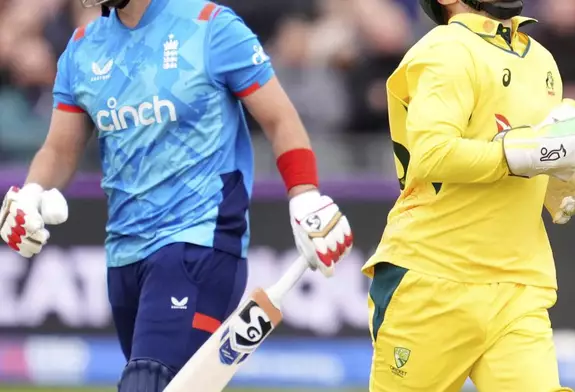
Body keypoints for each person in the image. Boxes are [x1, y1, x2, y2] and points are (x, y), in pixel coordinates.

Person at [0, 0, 353, 391]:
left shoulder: (210, 27)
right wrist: (31, 192)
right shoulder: (83, 47)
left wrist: (305, 198)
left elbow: (280, 118)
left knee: (146, 382)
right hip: (125, 255)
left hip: (200, 243)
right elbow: (59, 149)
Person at [362, 0, 575, 391]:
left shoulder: (542, 59)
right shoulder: (446, 48)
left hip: (519, 283)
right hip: (433, 279)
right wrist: (522, 154)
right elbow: (432, 155)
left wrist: (559, 182)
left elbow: (527, 159)